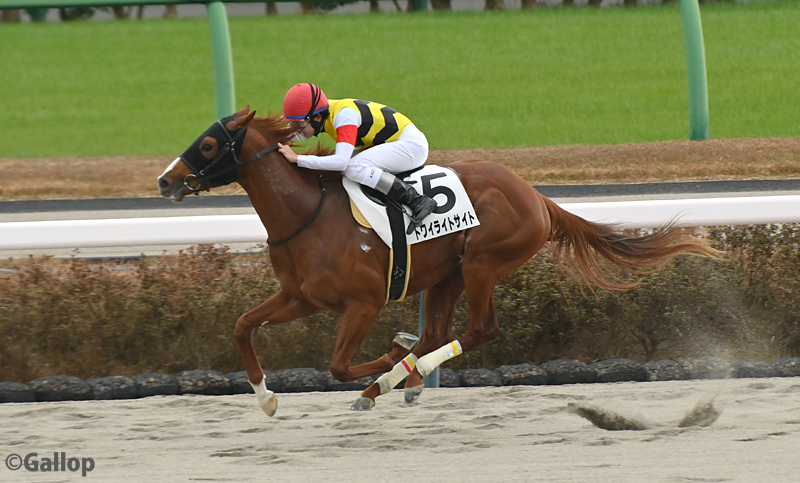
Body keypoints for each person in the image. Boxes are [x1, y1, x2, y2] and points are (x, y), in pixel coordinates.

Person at [277, 83, 437, 233]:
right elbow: (291, 128)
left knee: (352, 167)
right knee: (345, 169)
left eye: (301, 125)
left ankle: (416, 200)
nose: (299, 130)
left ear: (317, 118)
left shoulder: (344, 116)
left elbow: (341, 162)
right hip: (389, 143)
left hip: (411, 146)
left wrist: (298, 159)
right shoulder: (322, 113)